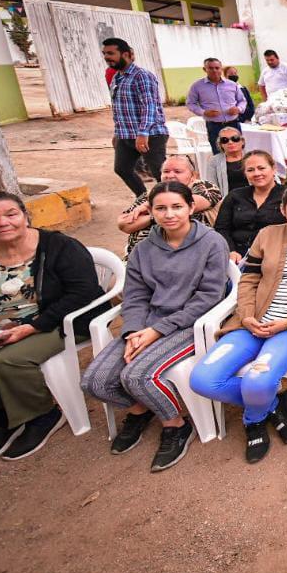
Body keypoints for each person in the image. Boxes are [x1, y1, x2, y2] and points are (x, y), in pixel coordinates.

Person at [81, 181, 230, 472]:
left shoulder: (212, 243)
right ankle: (143, 406)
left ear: (190, 208)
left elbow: (209, 298)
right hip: (146, 323)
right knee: (94, 382)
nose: (169, 214)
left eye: (177, 206)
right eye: (160, 208)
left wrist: (158, 330)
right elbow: (135, 296)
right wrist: (133, 331)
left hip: (189, 324)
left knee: (137, 376)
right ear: (151, 211)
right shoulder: (144, 249)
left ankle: (175, 423)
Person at [190, 183, 287, 463]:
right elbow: (249, 278)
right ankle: (272, 403)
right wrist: (246, 315)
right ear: (283, 209)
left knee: (257, 382)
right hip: (252, 323)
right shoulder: (266, 235)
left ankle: (253, 421)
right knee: (202, 380)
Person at [0, 190, 104, 464]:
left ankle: (42, 415)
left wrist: (33, 327)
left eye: (11, 214)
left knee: (5, 362)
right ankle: (3, 420)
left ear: (25, 216)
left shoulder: (59, 247)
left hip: (58, 323)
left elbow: (83, 292)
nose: (2, 223)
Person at [118, 155, 222, 257]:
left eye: (177, 171)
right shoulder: (150, 194)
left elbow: (190, 204)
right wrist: (154, 215)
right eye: (166, 171)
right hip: (140, 256)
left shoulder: (204, 187)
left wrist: (151, 212)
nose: (170, 175)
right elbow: (124, 224)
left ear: (193, 176)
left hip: (185, 256)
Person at [102, 37, 168, 197]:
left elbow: (150, 106)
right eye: (104, 53)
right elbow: (120, 109)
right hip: (126, 135)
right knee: (122, 169)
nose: (106, 57)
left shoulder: (142, 76)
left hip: (151, 135)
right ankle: (143, 198)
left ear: (125, 54)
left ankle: (171, 202)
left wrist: (143, 133)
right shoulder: (117, 78)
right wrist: (117, 133)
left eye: (111, 53)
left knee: (162, 174)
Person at [215, 151, 287, 263]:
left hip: (274, 256)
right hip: (237, 257)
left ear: (273, 169)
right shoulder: (235, 195)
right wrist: (230, 251)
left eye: (261, 168)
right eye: (250, 170)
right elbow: (221, 228)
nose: (257, 173)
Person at [187, 57, 247, 153]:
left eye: (217, 68)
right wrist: (204, 112)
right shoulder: (197, 86)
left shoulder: (232, 85)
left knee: (238, 153)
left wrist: (238, 109)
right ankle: (221, 169)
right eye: (210, 68)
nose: (214, 70)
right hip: (214, 126)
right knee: (219, 154)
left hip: (233, 124)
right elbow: (191, 103)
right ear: (204, 69)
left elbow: (242, 101)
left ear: (221, 69)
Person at [204, 125, 249, 198]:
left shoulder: (252, 157)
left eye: (235, 139)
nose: (230, 142)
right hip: (228, 201)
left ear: (242, 141)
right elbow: (211, 187)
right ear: (221, 145)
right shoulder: (214, 161)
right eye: (224, 140)